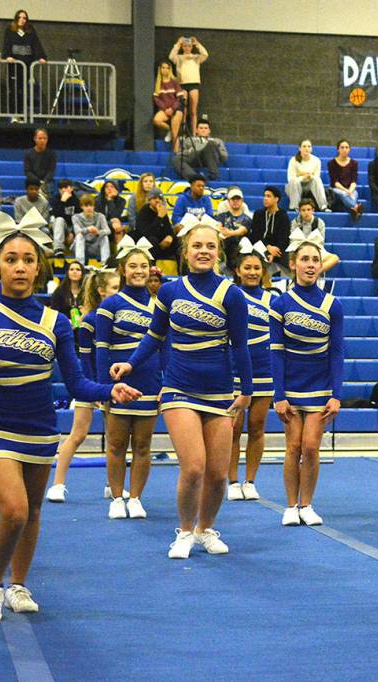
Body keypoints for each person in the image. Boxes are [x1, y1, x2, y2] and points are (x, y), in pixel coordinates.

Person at [0, 222, 139, 622]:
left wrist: (108, 391)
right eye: (11, 260)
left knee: (34, 511)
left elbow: (76, 381)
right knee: (14, 511)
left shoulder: (56, 322)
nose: (20, 267)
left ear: (39, 268)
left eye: (28, 260)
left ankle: (19, 584)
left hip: (40, 429)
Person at [111, 222, 252, 559]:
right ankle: (185, 531)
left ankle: (205, 528)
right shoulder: (171, 292)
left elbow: (241, 346)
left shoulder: (231, 294)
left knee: (218, 475)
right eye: (197, 246)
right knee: (193, 467)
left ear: (218, 252)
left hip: (218, 392)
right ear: (185, 252)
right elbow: (154, 335)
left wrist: (246, 390)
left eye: (210, 246)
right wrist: (130, 363)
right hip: (178, 388)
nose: (204, 251)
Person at [270, 241, 344, 527]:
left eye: (316, 259)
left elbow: (337, 351)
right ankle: (290, 505)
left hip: (320, 384)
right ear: (294, 264)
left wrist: (336, 394)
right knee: (293, 446)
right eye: (305, 259)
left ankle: (307, 504)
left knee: (311, 447)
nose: (311, 264)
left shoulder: (331, 305)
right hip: (290, 385)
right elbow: (276, 351)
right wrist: (279, 395)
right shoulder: (280, 303)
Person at [96, 240, 162, 520]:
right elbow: (101, 348)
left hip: (150, 381)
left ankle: (136, 498)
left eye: (143, 266)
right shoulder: (109, 305)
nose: (138, 271)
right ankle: (117, 496)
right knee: (116, 444)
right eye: (133, 266)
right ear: (122, 270)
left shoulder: (161, 306)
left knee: (144, 445)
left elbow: (166, 347)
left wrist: (166, 384)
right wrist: (103, 387)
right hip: (118, 383)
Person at [47, 269, 121, 502]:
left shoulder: (121, 318)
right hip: (89, 384)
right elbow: (85, 357)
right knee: (78, 434)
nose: (119, 292)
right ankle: (58, 484)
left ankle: (112, 484)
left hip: (114, 383)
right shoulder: (89, 321)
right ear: (101, 291)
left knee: (114, 437)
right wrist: (93, 388)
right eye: (114, 288)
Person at [227, 250, 275, 501]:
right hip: (234, 370)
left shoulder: (271, 299)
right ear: (237, 270)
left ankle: (250, 480)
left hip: (264, 369)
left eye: (257, 268)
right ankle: (232, 480)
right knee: (233, 428)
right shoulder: (231, 296)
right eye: (247, 267)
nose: (253, 272)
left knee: (257, 427)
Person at [1, 9, 46, 120]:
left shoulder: (30, 31)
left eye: (24, 18)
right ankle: (13, 115)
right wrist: (7, 56)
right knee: (14, 90)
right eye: (19, 18)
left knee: (23, 91)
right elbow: (6, 44)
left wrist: (41, 57)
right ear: (16, 19)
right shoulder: (10, 30)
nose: (21, 20)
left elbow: (36, 45)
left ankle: (21, 115)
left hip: (26, 66)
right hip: (14, 66)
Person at [249, 186, 291, 277]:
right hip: (260, 246)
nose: (265, 199)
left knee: (287, 261)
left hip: (278, 250)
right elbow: (255, 235)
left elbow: (284, 238)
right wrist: (268, 247)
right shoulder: (258, 214)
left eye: (268, 196)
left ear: (276, 199)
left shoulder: (283, 216)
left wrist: (273, 252)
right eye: (264, 196)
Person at [168, 36, 208, 130]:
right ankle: (183, 130)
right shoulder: (178, 58)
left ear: (191, 47)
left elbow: (205, 54)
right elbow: (171, 56)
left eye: (189, 46)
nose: (187, 48)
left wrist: (197, 44)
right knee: (183, 110)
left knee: (193, 110)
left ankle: (194, 132)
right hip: (182, 84)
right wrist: (178, 43)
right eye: (185, 46)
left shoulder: (196, 57)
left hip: (194, 84)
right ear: (182, 47)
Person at [213, 186, 251, 271]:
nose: (235, 201)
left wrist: (229, 233)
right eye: (233, 199)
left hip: (239, 245)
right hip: (225, 244)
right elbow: (218, 225)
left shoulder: (246, 218)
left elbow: (242, 230)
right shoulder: (223, 215)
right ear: (228, 201)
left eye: (238, 199)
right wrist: (222, 231)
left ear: (242, 201)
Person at [285, 139, 328, 211]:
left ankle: (323, 206)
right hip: (294, 187)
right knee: (294, 181)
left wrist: (302, 174)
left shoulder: (316, 160)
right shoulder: (293, 160)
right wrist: (303, 177)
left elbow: (316, 176)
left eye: (309, 146)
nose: (306, 148)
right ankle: (294, 207)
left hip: (309, 186)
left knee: (316, 180)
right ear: (300, 148)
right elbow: (290, 179)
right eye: (304, 146)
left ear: (311, 149)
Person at [133, 188, 176, 261]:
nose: (157, 200)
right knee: (153, 240)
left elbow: (169, 230)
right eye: (154, 198)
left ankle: (181, 270)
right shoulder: (144, 212)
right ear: (149, 200)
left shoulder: (162, 211)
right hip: (147, 242)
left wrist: (170, 237)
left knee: (177, 240)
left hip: (162, 244)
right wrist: (159, 217)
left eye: (160, 198)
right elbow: (146, 233)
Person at [328, 139, 362, 220]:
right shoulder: (331, 163)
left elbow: (354, 181)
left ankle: (354, 209)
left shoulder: (354, 163)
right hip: (337, 189)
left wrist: (350, 190)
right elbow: (335, 182)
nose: (344, 149)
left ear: (349, 149)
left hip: (350, 188)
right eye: (342, 147)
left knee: (354, 194)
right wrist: (346, 191)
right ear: (338, 149)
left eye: (346, 147)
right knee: (343, 194)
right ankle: (356, 207)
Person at [153, 60, 185, 144]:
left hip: (176, 109)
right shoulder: (157, 83)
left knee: (175, 134)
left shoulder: (174, 82)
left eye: (167, 68)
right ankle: (170, 129)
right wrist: (165, 109)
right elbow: (156, 99)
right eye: (163, 68)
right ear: (160, 69)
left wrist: (172, 108)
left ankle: (176, 153)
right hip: (165, 110)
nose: (165, 70)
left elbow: (180, 98)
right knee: (156, 120)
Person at [73, 194, 111, 264]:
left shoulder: (100, 216)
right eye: (86, 206)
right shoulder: (76, 217)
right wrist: (88, 229)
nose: (89, 208)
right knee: (79, 235)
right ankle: (80, 264)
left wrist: (98, 232)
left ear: (94, 206)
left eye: (91, 205)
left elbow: (108, 231)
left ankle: (105, 264)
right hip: (81, 246)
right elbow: (77, 231)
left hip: (96, 246)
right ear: (82, 206)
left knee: (104, 236)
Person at [50, 179, 79, 256]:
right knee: (59, 219)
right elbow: (56, 216)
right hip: (59, 228)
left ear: (72, 188)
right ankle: (58, 249)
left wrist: (72, 232)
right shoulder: (55, 199)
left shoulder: (76, 200)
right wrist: (62, 201)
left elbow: (79, 219)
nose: (63, 190)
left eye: (66, 187)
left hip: (73, 228)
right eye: (60, 188)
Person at [24, 129, 57, 196]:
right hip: (33, 182)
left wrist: (44, 182)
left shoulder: (52, 154)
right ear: (35, 139)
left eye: (44, 138)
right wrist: (38, 181)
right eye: (40, 138)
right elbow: (28, 171)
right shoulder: (28, 154)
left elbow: (51, 171)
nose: (42, 140)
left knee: (49, 186)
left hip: (47, 182)